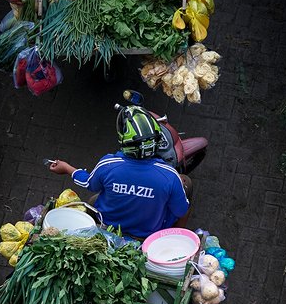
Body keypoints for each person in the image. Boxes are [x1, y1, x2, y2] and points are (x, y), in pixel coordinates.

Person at [47, 103, 191, 240]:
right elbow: (180, 211)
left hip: (109, 228)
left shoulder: (108, 165)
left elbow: (88, 183)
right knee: (187, 184)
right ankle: (178, 237)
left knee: (94, 199)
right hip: (147, 235)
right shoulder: (170, 176)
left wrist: (67, 168)